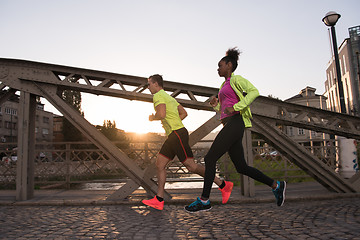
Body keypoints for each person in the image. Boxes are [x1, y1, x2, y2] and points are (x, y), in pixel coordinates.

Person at [185, 48, 286, 212]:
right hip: (229, 124)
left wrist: (237, 107)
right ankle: (276, 185)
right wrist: (216, 105)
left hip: (236, 122)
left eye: (220, 65)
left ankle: (204, 200)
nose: (217, 68)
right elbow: (225, 110)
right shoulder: (223, 85)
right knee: (241, 167)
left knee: (210, 159)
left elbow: (254, 92)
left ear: (229, 65)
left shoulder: (236, 79)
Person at [142, 74, 233, 210]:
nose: (147, 87)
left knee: (191, 167)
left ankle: (223, 185)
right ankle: (159, 199)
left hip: (176, 134)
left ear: (156, 84)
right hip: (174, 134)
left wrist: (152, 118)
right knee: (160, 164)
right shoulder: (169, 98)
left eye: (149, 84)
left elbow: (161, 114)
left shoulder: (157, 96)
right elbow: (184, 113)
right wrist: (174, 122)